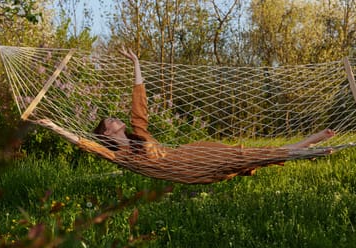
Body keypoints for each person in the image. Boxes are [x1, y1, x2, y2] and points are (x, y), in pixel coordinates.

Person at [77, 47, 335, 184]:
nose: (114, 118)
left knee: (247, 156)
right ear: (107, 133)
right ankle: (307, 150)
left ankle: (308, 144)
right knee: (247, 157)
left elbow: (139, 106)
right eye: (109, 121)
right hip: (186, 170)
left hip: (193, 153)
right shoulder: (121, 156)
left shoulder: (138, 136)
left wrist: (136, 64)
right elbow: (91, 147)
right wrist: (58, 128)